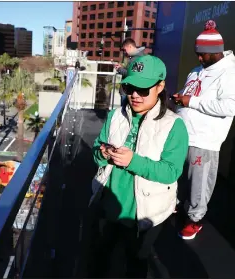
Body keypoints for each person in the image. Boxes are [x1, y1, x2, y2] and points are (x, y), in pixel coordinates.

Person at [90, 55, 189, 278]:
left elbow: (171, 172)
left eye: (143, 89)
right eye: (129, 87)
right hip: (107, 206)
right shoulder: (115, 115)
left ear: (161, 86)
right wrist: (103, 153)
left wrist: (133, 161)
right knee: (99, 259)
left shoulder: (174, 125)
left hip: (145, 214)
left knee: (135, 265)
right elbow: (96, 152)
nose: (135, 95)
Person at [173, 20, 235, 240]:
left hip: (204, 141)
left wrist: (191, 102)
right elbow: (189, 94)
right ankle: (178, 205)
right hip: (182, 135)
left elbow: (230, 107)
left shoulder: (232, 76)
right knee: (179, 177)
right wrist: (179, 99)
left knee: (199, 183)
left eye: (202, 54)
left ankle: (195, 220)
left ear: (215, 52)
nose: (198, 58)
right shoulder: (198, 70)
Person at [114, 38, 146, 105]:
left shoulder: (138, 58)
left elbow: (132, 74)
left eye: (125, 50)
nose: (125, 52)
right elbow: (132, 71)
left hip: (128, 91)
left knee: (126, 112)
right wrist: (122, 67)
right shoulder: (137, 57)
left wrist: (119, 69)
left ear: (130, 46)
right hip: (128, 90)